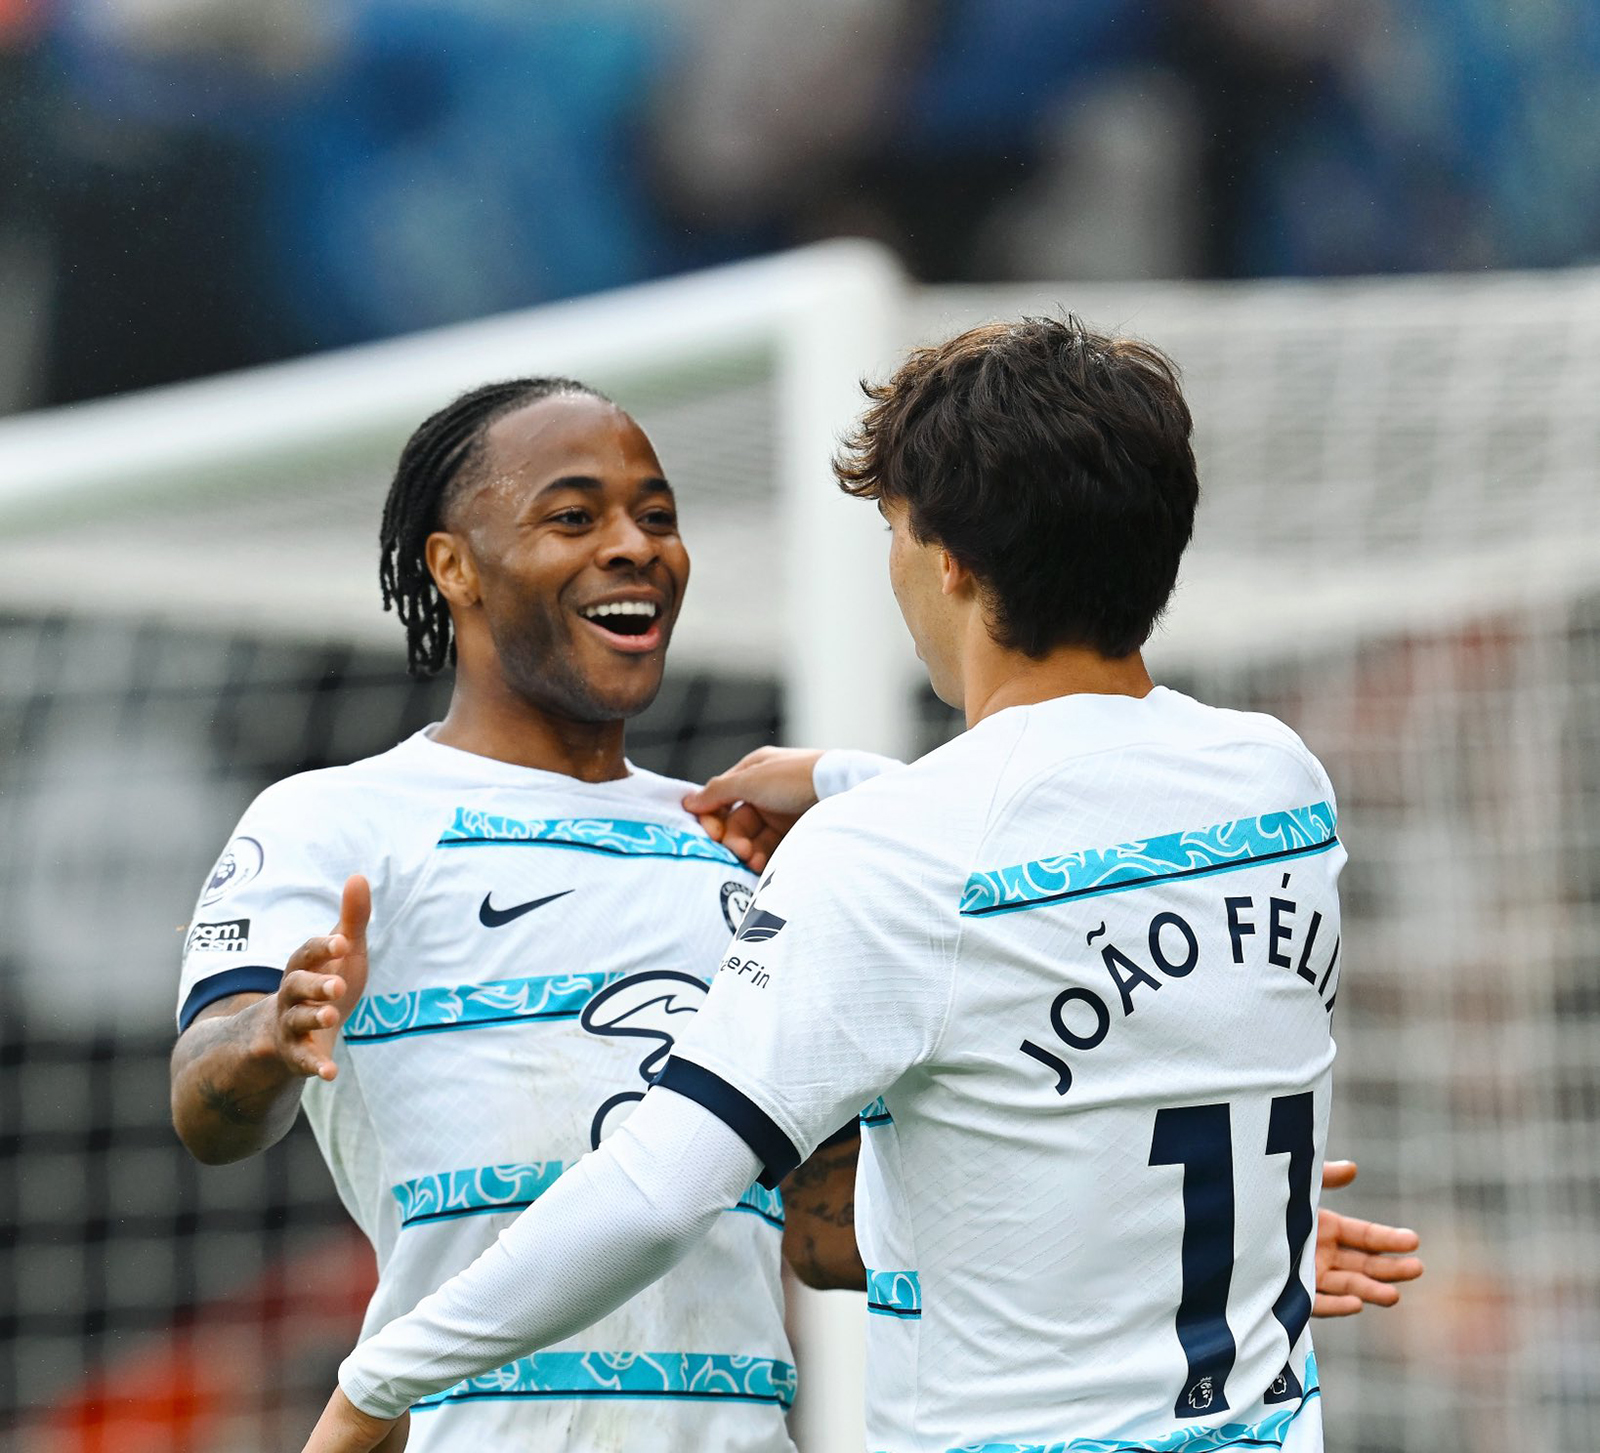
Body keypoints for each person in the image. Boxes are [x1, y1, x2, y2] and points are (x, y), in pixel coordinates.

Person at [298, 321, 1415, 1453]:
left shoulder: (890, 854)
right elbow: (1072, 888)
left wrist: (378, 1382)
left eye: (894, 527)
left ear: (950, 561)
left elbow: (658, 1189)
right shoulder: (1278, 783)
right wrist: (846, 779)